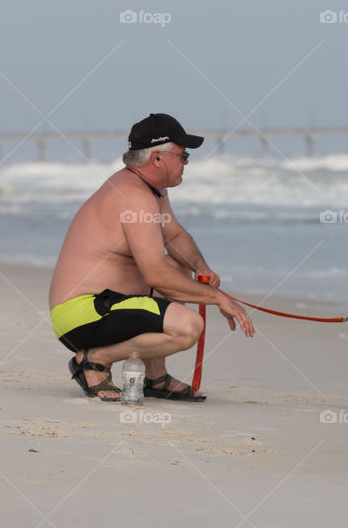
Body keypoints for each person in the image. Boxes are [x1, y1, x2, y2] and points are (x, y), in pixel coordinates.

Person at [48, 113, 255, 401]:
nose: (186, 163)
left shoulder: (150, 190)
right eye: (183, 156)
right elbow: (155, 276)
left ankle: (155, 377)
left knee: (178, 267)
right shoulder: (134, 195)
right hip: (81, 315)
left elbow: (174, 236)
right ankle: (93, 360)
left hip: (107, 305)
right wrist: (219, 298)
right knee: (188, 328)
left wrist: (200, 268)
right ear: (157, 158)